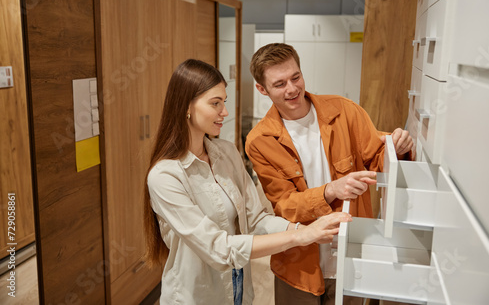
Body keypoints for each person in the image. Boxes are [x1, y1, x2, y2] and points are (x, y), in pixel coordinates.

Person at [143, 58, 353, 305]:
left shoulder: (226, 153)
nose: (225, 112)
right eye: (215, 104)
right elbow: (219, 250)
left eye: (224, 102)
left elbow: (257, 219)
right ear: (186, 107)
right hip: (196, 296)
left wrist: (306, 231)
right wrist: (301, 237)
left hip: (238, 290)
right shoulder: (165, 176)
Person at [245, 43, 414, 305]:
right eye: (279, 84)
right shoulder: (260, 140)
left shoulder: (344, 111)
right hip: (298, 264)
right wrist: (330, 190)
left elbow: (378, 159)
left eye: (296, 77)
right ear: (262, 89)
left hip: (350, 254)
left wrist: (399, 149)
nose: (292, 89)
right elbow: (285, 205)